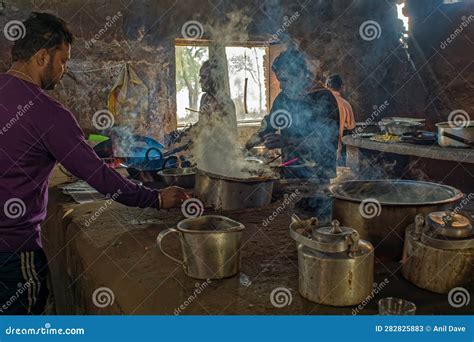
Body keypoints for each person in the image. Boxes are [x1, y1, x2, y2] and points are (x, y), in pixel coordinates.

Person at [0, 12, 188, 315]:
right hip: (11, 251)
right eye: (62, 61)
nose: (63, 71)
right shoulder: (47, 112)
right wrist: (155, 198)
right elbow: (97, 175)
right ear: (42, 56)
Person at [246, 48, 339, 182]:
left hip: (318, 173)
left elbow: (326, 141)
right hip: (291, 170)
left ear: (301, 74)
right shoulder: (283, 99)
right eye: (279, 80)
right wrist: (246, 146)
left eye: (285, 80)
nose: (281, 86)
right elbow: (268, 126)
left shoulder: (323, 98)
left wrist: (287, 141)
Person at [325, 74, 356, 161]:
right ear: (341, 87)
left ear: (326, 86)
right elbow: (351, 127)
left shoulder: (320, 102)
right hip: (335, 149)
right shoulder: (345, 104)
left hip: (317, 147)